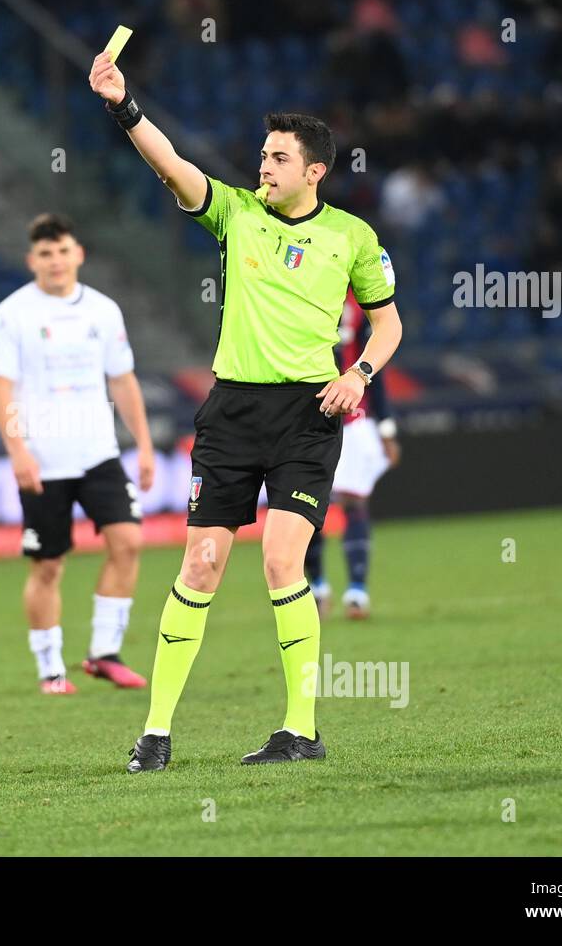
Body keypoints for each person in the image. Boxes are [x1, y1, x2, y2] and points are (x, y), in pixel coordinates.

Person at [88, 50, 403, 772]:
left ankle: (300, 731)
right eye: (263, 155)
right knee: (200, 563)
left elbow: (388, 325)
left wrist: (358, 375)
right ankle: (157, 733)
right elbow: (171, 165)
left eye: (279, 158)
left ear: (314, 170)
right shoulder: (236, 215)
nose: (265, 166)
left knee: (281, 559)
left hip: (308, 413)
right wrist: (123, 104)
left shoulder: (353, 238)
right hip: (231, 412)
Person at [0, 213, 155, 695]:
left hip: (98, 452)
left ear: (78, 254)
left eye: (63, 251)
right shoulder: (13, 314)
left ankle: (104, 653)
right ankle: (50, 669)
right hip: (43, 457)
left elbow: (122, 380)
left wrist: (142, 445)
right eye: (45, 254)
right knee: (49, 565)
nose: (55, 261)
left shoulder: (103, 310)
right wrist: (18, 451)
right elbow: (2, 389)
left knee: (128, 541)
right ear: (31, 260)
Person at [305, 293, 402, 620]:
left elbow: (375, 367)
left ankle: (357, 591)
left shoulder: (361, 298)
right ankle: (317, 587)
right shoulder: (300, 282)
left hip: (354, 418)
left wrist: (386, 428)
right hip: (306, 417)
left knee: (354, 501)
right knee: (304, 506)